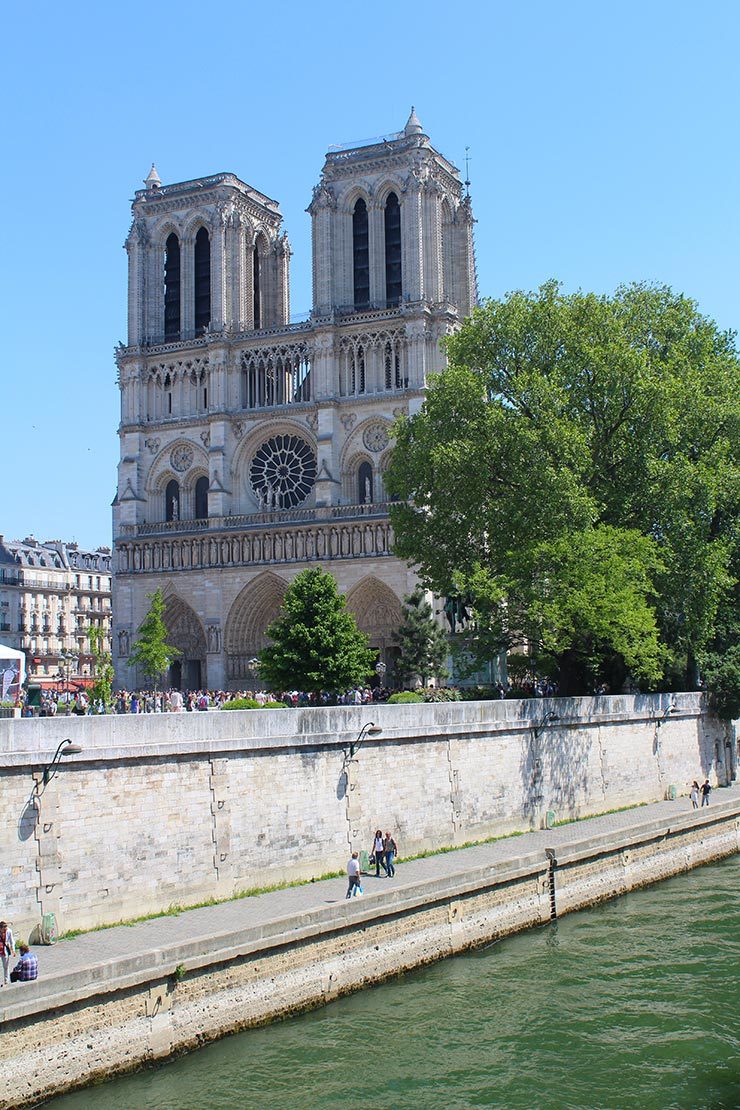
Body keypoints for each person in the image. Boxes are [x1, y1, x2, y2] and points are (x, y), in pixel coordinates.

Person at [0, 921, 15, 986]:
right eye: (4, 928)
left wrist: (13, 950)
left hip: (4, 950)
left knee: (6, 966)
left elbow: (12, 941)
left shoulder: (9, 931)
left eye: (6, 928)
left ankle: (6, 981)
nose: (5, 930)